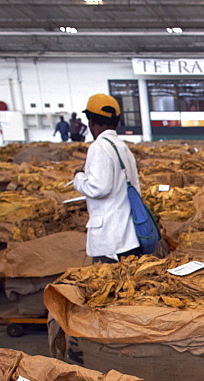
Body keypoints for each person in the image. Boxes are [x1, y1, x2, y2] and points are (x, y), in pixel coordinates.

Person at [72, 94, 141, 263]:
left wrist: (78, 178)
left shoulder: (99, 147)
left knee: (110, 284)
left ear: (91, 122)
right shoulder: (121, 146)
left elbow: (99, 188)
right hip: (129, 235)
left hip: (112, 240)